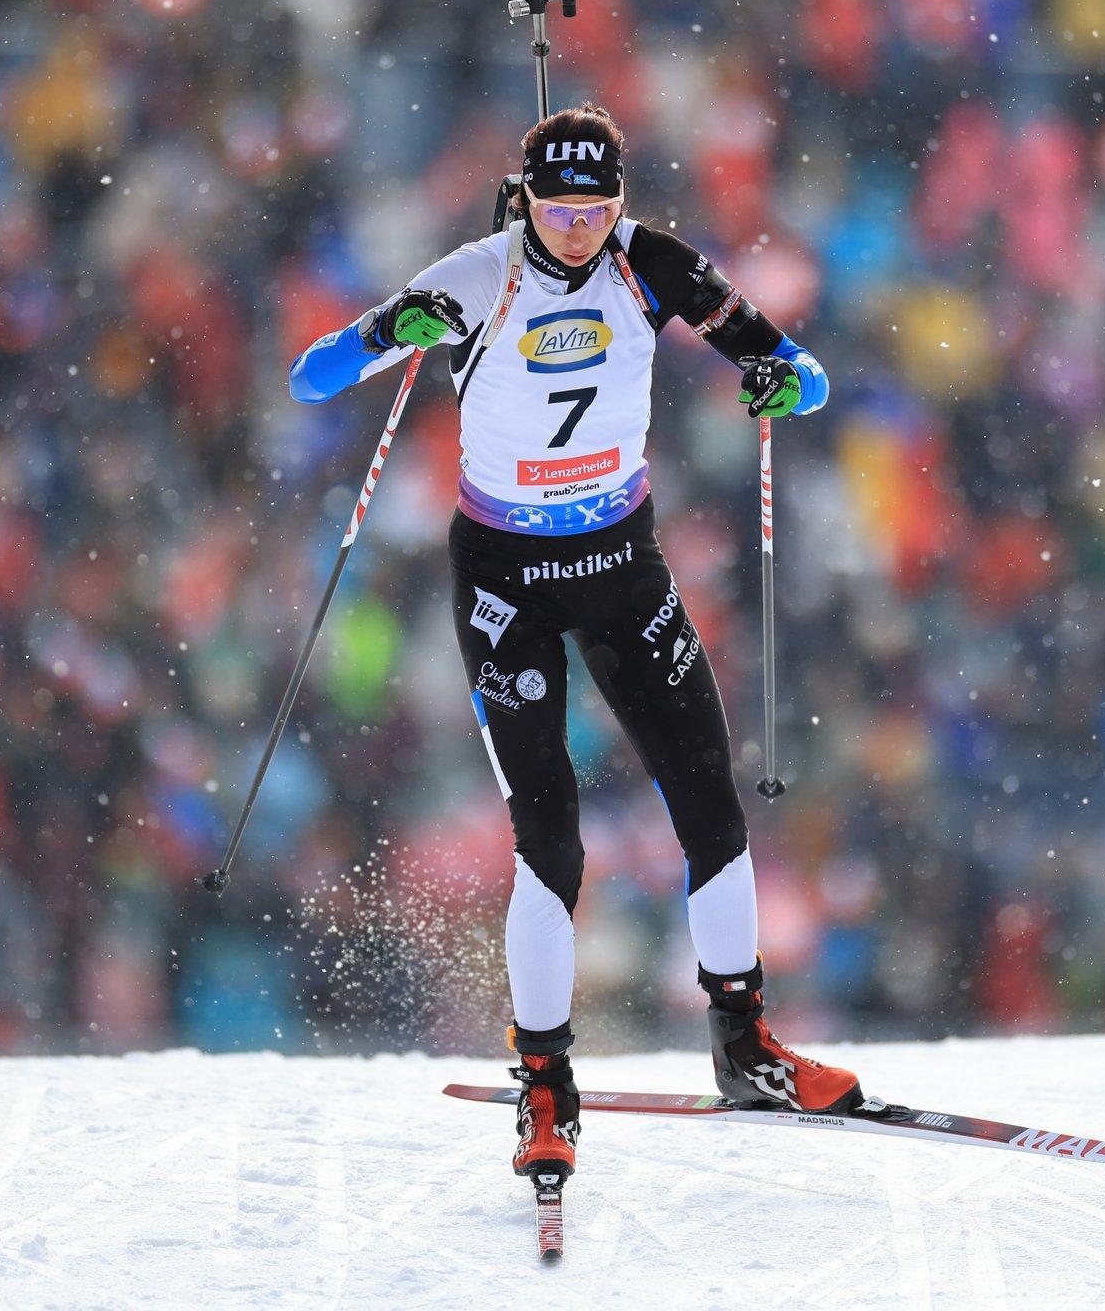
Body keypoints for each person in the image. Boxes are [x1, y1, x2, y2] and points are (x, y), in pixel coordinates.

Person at [289, 104, 858, 1184]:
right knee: (550, 840)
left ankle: (744, 1040)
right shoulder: (478, 272)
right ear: (524, 200)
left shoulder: (649, 263)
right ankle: (544, 1082)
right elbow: (312, 377)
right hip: (506, 582)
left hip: (618, 564)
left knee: (708, 800)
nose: (575, 229)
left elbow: (798, 368)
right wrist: (385, 335)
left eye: (596, 209)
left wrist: (782, 383)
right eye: (556, 208)